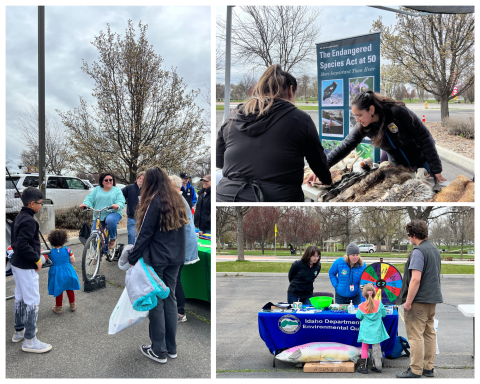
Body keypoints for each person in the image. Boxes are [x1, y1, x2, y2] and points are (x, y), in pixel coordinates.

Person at [215, 63, 332, 203]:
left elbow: (219, 161)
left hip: (226, 197)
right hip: (279, 198)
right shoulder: (300, 119)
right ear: (290, 91)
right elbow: (319, 164)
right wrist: (327, 180)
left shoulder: (232, 116)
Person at [306, 90, 447, 186]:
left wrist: (436, 169)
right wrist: (320, 170)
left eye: (359, 115)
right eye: (355, 116)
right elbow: (345, 146)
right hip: (398, 164)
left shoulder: (397, 112)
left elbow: (425, 137)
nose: (357, 120)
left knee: (428, 189)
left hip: (421, 159)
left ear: (371, 110)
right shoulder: (363, 126)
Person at [127, 166, 190, 363]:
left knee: (156, 302)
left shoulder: (154, 200)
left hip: (157, 259)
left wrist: (132, 258)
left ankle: (158, 349)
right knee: (170, 299)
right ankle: (171, 348)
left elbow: (145, 233)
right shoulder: (178, 199)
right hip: (176, 257)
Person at [396, 220, 442, 379]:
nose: (409, 238)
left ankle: (415, 370)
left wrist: (408, 302)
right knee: (429, 334)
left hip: (418, 302)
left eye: (409, 235)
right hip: (431, 301)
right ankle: (428, 368)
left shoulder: (418, 252)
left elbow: (415, 279)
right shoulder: (435, 250)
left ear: (414, 235)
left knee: (415, 336)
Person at [10, 186, 52, 353]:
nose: (41, 206)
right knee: (32, 301)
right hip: (26, 265)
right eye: (40, 203)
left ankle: (19, 331)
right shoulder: (29, 221)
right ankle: (30, 340)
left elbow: (17, 244)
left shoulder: (18, 217)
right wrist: (37, 259)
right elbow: (22, 245)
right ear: (32, 203)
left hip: (17, 264)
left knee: (20, 296)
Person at [170, 174, 202, 322]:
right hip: (182, 244)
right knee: (175, 278)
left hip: (181, 245)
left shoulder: (177, 201)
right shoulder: (178, 200)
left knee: (175, 279)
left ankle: (180, 313)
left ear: (175, 187)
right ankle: (177, 310)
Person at [79, 172, 126, 249]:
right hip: (99, 214)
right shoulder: (97, 189)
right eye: (106, 180)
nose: (108, 181)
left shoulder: (117, 190)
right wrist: (85, 204)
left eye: (110, 180)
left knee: (110, 220)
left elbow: (121, 201)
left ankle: (112, 239)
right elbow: (90, 198)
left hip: (113, 212)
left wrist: (118, 205)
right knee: (94, 235)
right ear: (102, 181)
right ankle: (96, 256)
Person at [356, 283, 389, 374]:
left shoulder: (361, 306)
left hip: (366, 331)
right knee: (376, 347)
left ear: (363, 294)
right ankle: (376, 366)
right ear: (374, 293)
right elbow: (384, 314)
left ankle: (363, 367)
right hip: (377, 331)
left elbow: (358, 316)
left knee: (364, 348)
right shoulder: (379, 304)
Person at [47, 229, 81, 314]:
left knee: (58, 290)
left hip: (57, 274)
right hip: (68, 272)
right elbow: (73, 260)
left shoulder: (50, 252)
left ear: (52, 241)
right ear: (64, 240)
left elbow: (48, 261)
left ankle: (58, 308)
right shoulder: (68, 250)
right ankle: (72, 305)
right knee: (70, 289)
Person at [121, 171, 145, 245]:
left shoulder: (147, 189)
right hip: (131, 217)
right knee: (131, 236)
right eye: (139, 178)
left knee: (141, 237)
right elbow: (120, 196)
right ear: (137, 178)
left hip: (143, 218)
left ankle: (139, 254)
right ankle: (130, 254)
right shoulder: (129, 188)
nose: (141, 180)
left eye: (143, 179)